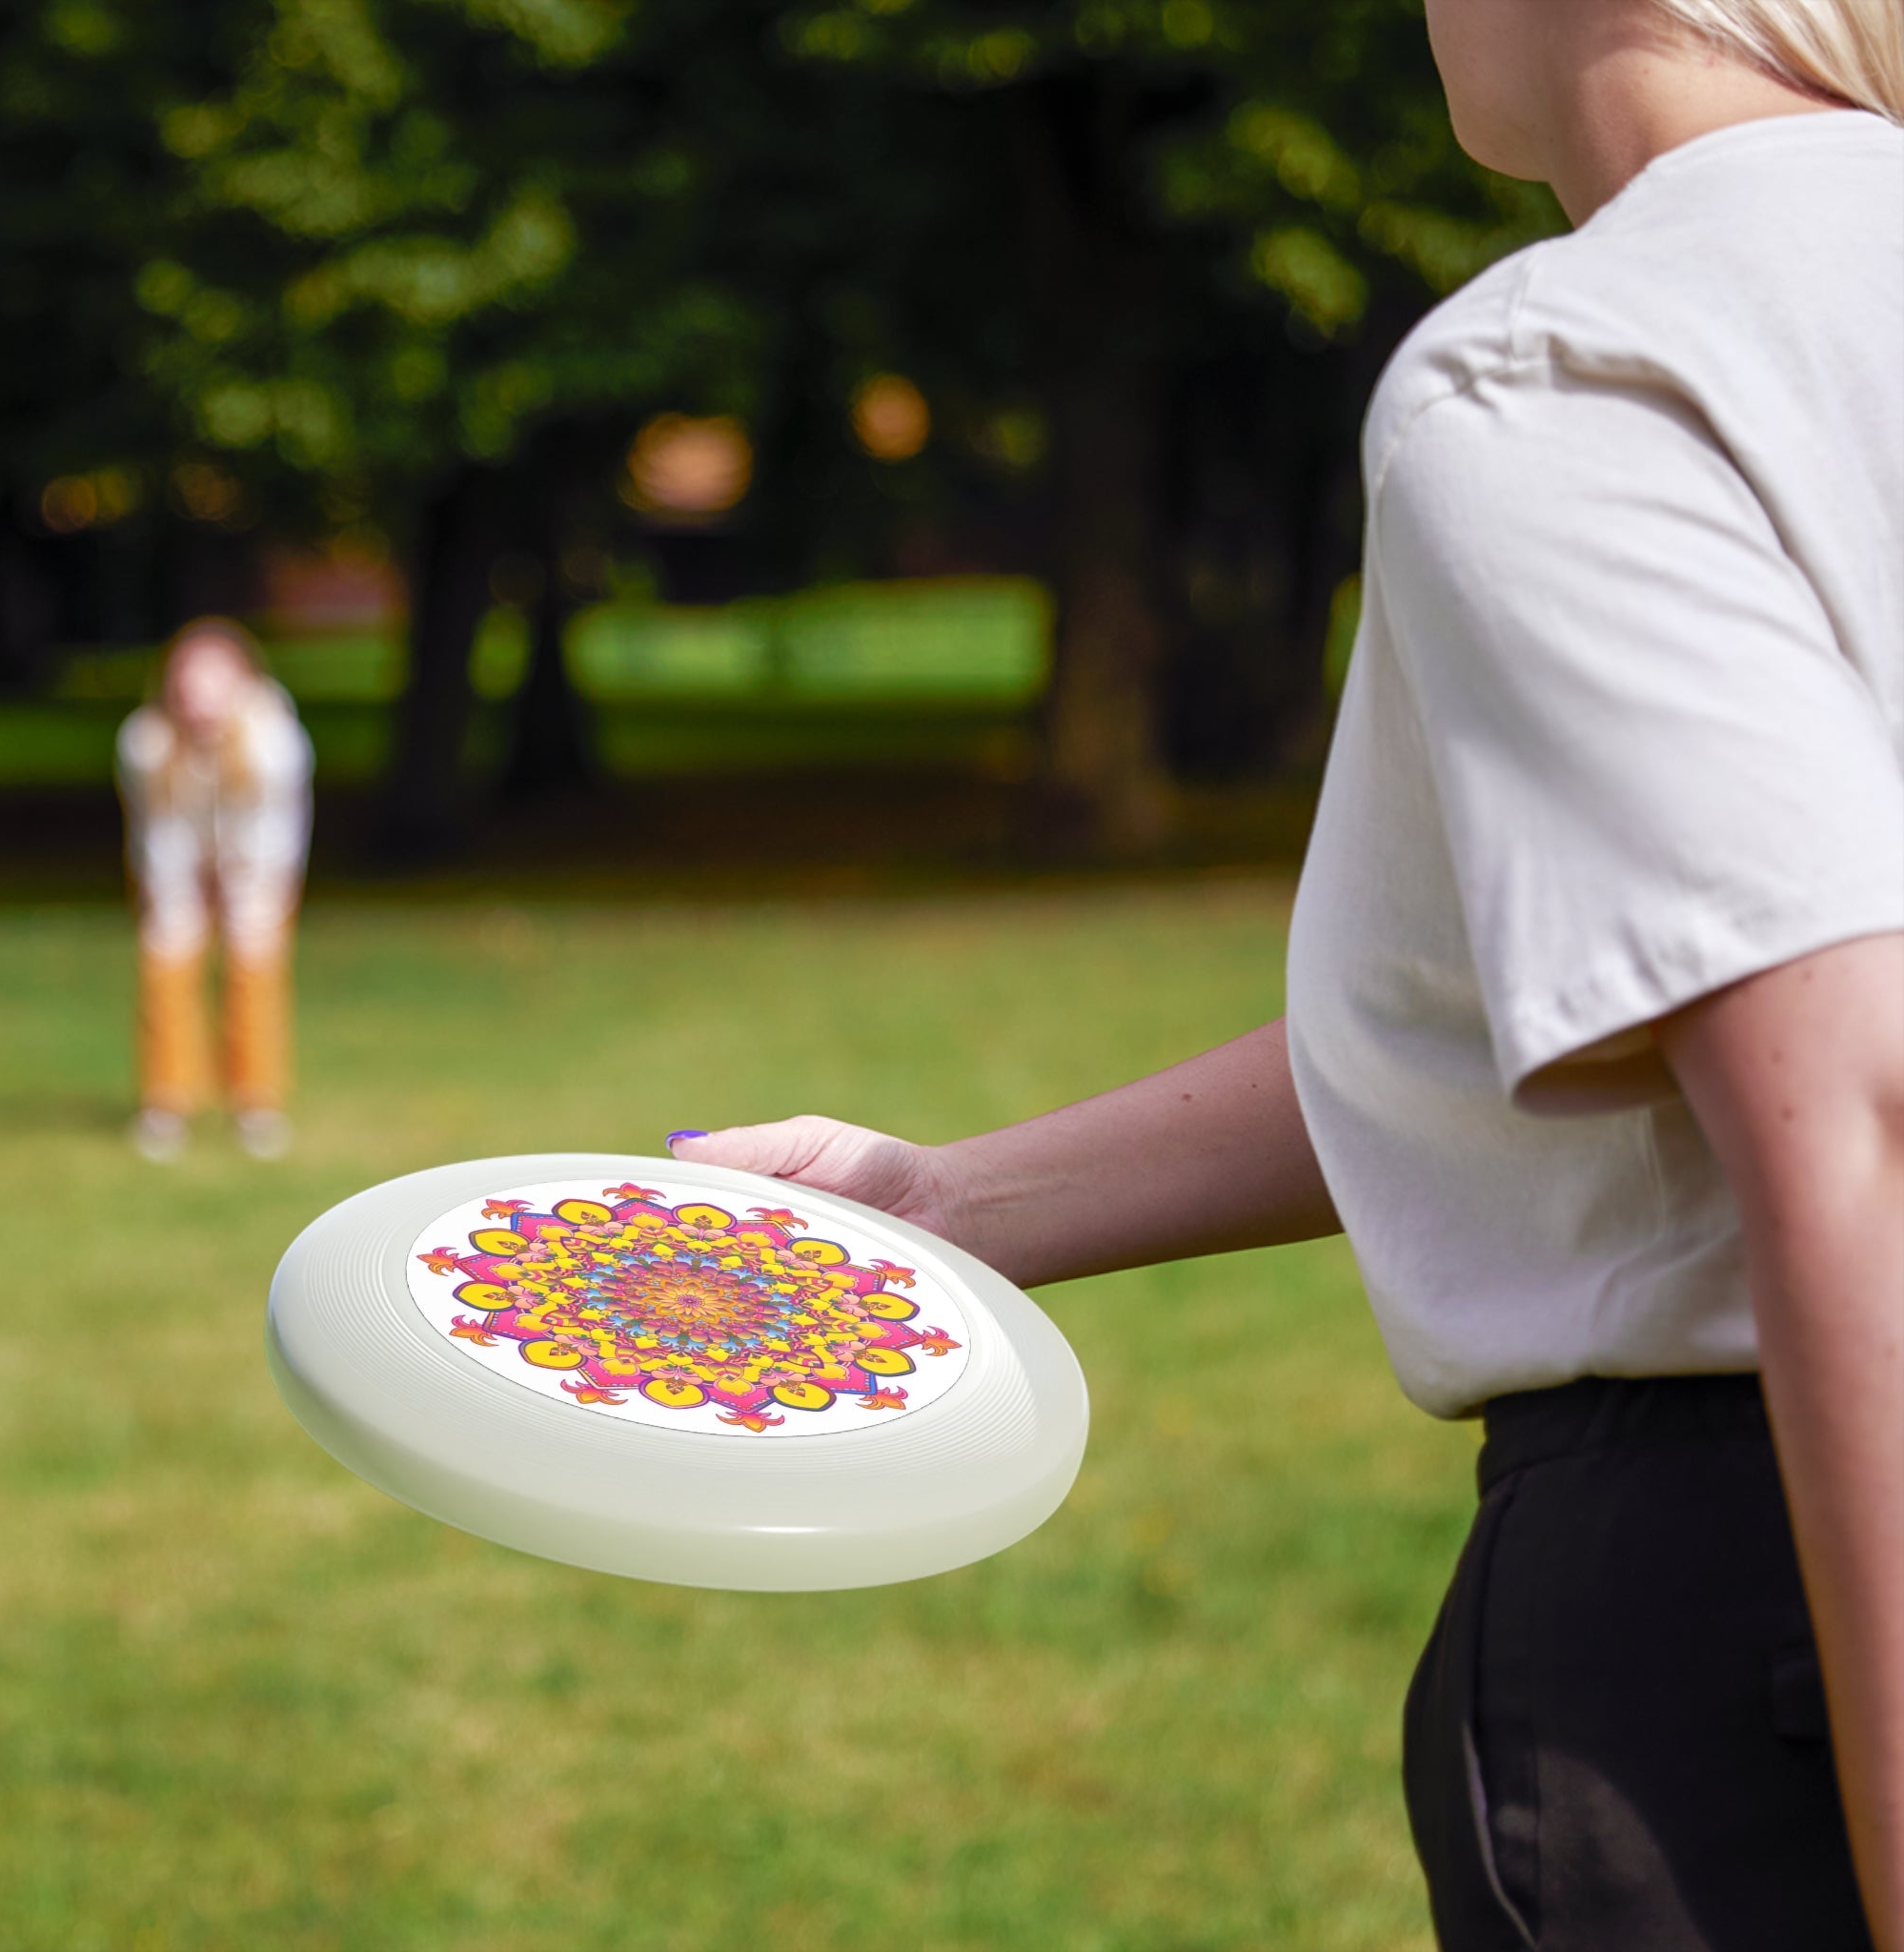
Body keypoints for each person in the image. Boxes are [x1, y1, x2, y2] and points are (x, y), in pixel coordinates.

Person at [665, 2, 1904, 1945]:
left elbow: (1856, 1110)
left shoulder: (1577, 365)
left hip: (1765, 1608)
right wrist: (947, 1201)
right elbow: (1605, 999)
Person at [116, 618, 314, 1162]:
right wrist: (179, 898)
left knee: (255, 969)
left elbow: (273, 833)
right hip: (176, 866)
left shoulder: (274, 741)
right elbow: (159, 832)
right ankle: (166, 1102)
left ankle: (256, 1104)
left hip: (257, 867)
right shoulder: (146, 743)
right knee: (166, 962)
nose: (199, 698)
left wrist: (243, 891)